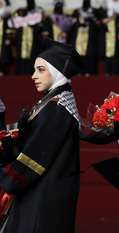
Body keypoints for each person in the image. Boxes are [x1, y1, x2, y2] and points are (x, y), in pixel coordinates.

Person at [0, 38, 84, 232]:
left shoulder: (57, 107)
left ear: (56, 72)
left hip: (44, 194)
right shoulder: (53, 102)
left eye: (40, 70)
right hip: (44, 189)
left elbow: (36, 156)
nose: (33, 76)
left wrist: (6, 177)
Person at [9, 0, 45, 75]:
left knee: (33, 57)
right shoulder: (20, 12)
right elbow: (13, 23)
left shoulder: (38, 11)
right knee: (21, 56)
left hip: (34, 39)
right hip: (22, 39)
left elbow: (43, 24)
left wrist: (34, 24)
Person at [71, 0, 100, 75]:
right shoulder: (77, 12)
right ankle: (79, 71)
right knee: (78, 54)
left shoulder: (94, 11)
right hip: (79, 37)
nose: (86, 0)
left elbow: (98, 24)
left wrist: (92, 22)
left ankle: (88, 71)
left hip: (90, 37)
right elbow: (71, 23)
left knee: (89, 54)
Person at [98, 0, 119, 75]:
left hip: (115, 36)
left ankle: (114, 73)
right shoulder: (104, 9)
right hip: (106, 36)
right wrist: (103, 21)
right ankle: (107, 72)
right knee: (106, 54)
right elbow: (97, 22)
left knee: (115, 54)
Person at [0, 0, 13, 76]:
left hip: (3, 40)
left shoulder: (7, 16)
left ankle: (1, 71)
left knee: (3, 56)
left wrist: (9, 38)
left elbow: (11, 28)